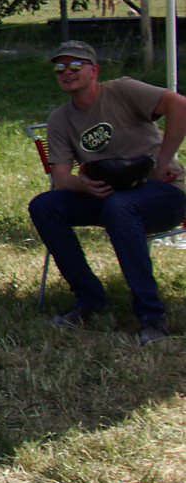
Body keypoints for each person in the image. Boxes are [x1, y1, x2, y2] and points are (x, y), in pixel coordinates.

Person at [28, 40, 186, 345]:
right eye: (60, 67)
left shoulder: (123, 90)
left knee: (120, 206)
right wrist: (85, 184)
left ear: (94, 70)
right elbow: (61, 177)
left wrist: (162, 162)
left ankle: (152, 316)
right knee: (44, 205)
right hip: (107, 195)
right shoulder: (60, 119)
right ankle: (89, 299)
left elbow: (179, 104)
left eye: (76, 65)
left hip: (161, 193)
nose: (67, 72)